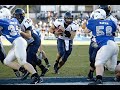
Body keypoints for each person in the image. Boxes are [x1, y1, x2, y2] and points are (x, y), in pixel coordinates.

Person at [0, 8, 40, 84]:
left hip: (19, 42)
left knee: (23, 62)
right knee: (6, 61)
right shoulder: (14, 20)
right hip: (18, 43)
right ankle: (24, 70)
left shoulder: (3, 21)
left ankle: (36, 77)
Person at [82, 5, 119, 81]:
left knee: (98, 62)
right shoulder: (111, 22)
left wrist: (87, 22)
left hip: (105, 45)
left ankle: (99, 79)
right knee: (112, 67)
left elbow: (85, 31)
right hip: (113, 44)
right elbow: (115, 30)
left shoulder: (93, 22)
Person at [13, 8, 49, 78]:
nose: (16, 17)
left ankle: (34, 74)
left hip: (34, 40)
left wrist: (19, 31)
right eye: (15, 16)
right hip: (29, 42)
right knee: (32, 57)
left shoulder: (26, 21)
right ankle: (43, 69)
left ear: (21, 16)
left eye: (17, 16)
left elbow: (29, 36)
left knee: (29, 58)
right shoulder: (16, 22)